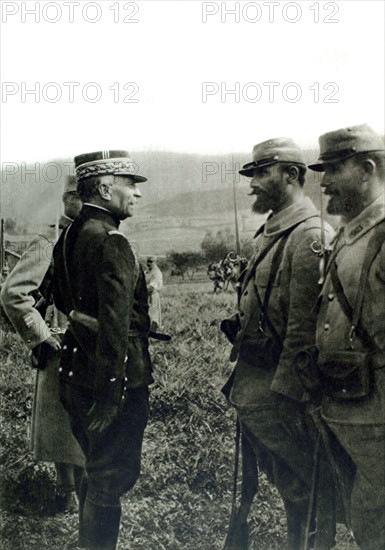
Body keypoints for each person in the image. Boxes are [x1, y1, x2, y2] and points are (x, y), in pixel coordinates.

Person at [221, 137, 333, 550]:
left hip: (281, 396)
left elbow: (305, 331)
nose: (251, 184)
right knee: (290, 486)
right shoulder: (271, 231)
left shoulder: (310, 236)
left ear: (292, 175)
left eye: (261, 173)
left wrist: (291, 400)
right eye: (251, 174)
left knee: (306, 490)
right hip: (254, 387)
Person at [53, 150, 153, 550]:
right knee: (110, 479)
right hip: (114, 385)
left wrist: (81, 321)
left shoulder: (66, 237)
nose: (137, 195)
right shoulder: (112, 242)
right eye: (131, 185)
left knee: (94, 473)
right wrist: (111, 396)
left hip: (75, 375)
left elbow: (64, 303)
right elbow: (115, 329)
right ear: (106, 187)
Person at [308, 124, 385, 550]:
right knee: (364, 520)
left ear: (368, 168)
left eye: (334, 169)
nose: (324, 182)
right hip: (347, 409)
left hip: (378, 414)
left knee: (375, 523)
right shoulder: (349, 234)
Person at [0, 176, 85, 513]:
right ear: (67, 199)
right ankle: (67, 495)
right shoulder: (48, 240)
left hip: (89, 348)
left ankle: (81, 497)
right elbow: (12, 293)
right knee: (63, 428)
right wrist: (40, 335)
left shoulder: (95, 239)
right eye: (81, 195)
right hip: (59, 345)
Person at [145, 256, 163, 331]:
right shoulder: (147, 272)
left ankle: (153, 332)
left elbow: (151, 288)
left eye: (151, 261)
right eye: (148, 261)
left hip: (153, 296)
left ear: (155, 262)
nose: (149, 263)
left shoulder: (157, 273)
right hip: (146, 295)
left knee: (153, 315)